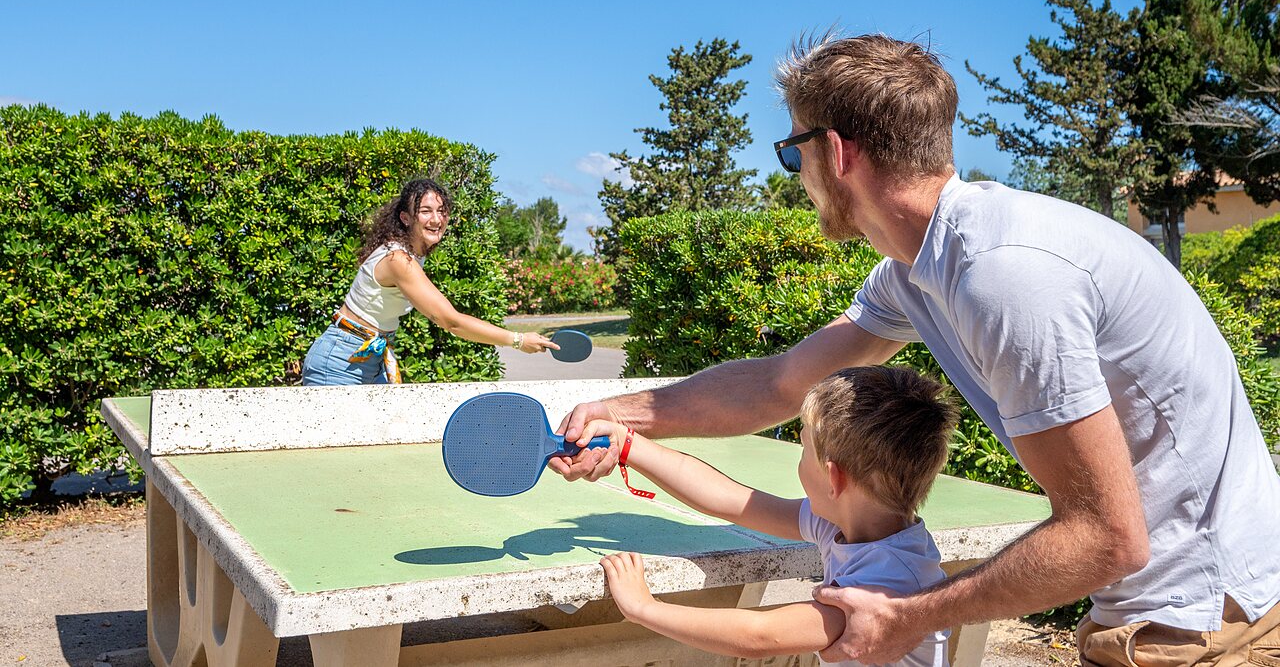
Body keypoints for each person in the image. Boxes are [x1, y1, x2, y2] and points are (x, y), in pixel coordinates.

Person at [552, 34, 1280, 665]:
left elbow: (1107, 537)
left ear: (834, 152)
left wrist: (907, 617)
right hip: (1163, 613)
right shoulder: (916, 272)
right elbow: (780, 383)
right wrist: (621, 417)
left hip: (1201, 621)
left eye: (790, 151)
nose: (795, 177)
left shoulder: (1005, 278)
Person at [590, 365, 958, 666]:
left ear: (833, 478)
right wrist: (628, 443)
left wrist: (643, 608)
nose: (799, 459)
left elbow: (758, 635)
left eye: (803, 448)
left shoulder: (886, 584)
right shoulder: (842, 526)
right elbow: (730, 500)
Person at [302, 178, 556, 385]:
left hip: (370, 355)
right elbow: (451, 321)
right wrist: (518, 341)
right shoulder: (398, 260)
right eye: (425, 211)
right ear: (406, 218)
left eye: (441, 211)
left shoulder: (413, 253)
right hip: (339, 362)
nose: (436, 220)